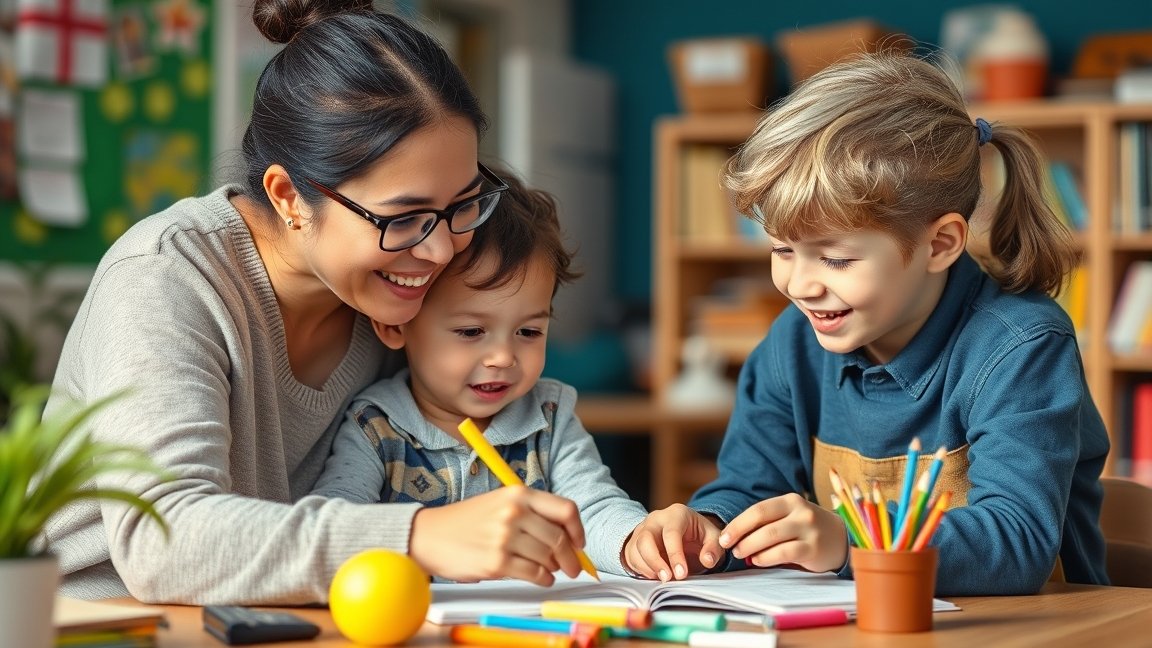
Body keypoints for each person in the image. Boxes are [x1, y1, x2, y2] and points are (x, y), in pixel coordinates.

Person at [43, 0, 587, 604]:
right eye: (403, 218)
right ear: (289, 198)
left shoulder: (393, 292)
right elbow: (162, 541)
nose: (439, 252)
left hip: (285, 619)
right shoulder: (166, 277)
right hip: (105, 623)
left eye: (463, 204)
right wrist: (417, 535)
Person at [621, 50, 1110, 596]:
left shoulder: (1021, 348)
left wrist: (850, 541)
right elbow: (751, 489)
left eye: (836, 260)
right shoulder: (792, 343)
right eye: (783, 249)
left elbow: (1017, 542)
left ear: (940, 243)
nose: (800, 285)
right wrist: (710, 528)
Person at [311, 169, 648, 579]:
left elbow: (592, 511)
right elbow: (338, 525)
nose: (504, 357)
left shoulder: (550, 414)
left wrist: (635, 542)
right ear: (395, 323)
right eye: (471, 332)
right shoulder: (375, 426)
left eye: (529, 331)